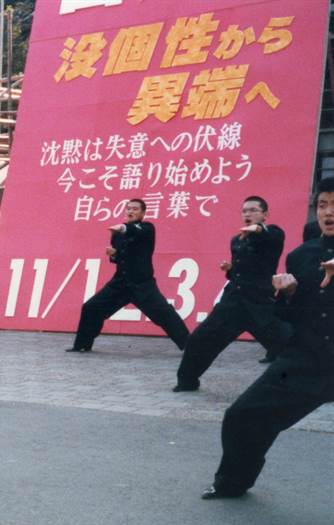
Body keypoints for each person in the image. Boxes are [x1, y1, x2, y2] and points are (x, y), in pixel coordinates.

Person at [201, 177, 334, 500]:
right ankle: (232, 483)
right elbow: (291, 315)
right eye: (323, 204)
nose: (328, 212)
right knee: (242, 416)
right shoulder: (302, 256)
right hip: (307, 360)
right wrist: (289, 293)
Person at [174, 197, 290, 391]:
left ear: (265, 215)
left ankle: (320, 385)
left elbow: (269, 237)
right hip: (232, 304)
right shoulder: (236, 240)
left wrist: (258, 230)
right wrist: (230, 269)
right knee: (200, 339)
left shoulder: (274, 234)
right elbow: (241, 270)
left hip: (260, 305)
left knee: (289, 345)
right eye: (244, 211)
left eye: (253, 210)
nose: (248, 214)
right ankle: (187, 382)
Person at [66, 198, 189, 352]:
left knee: (165, 314)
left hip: (142, 285)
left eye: (135, 209)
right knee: (91, 308)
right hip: (120, 284)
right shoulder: (117, 234)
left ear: (143, 213)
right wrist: (113, 255)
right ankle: (82, 345)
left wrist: (123, 227)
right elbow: (119, 259)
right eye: (128, 208)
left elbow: (133, 230)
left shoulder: (147, 228)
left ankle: (190, 347)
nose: (130, 211)